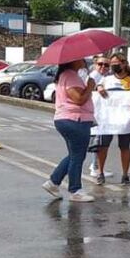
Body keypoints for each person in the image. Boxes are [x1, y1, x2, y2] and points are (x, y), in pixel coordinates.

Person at [43, 59, 97, 202]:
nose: (84, 59)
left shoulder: (67, 75)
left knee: (74, 155)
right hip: (75, 119)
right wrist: (90, 86)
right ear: (72, 61)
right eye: (80, 58)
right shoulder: (70, 76)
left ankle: (53, 182)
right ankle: (75, 190)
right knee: (78, 156)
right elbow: (79, 99)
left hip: (69, 119)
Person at [94, 52, 130, 185]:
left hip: (125, 118)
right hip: (108, 118)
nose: (114, 66)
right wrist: (99, 87)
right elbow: (96, 86)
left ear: (124, 63)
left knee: (124, 146)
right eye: (112, 64)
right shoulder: (107, 78)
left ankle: (125, 175)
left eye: (116, 64)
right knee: (103, 146)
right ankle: (100, 172)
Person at [88, 57, 110, 178]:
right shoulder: (94, 76)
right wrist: (98, 88)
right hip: (96, 113)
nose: (103, 67)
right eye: (100, 64)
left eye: (106, 65)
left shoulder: (104, 77)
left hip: (101, 113)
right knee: (97, 140)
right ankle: (95, 167)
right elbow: (90, 88)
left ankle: (95, 165)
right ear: (95, 64)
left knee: (99, 140)